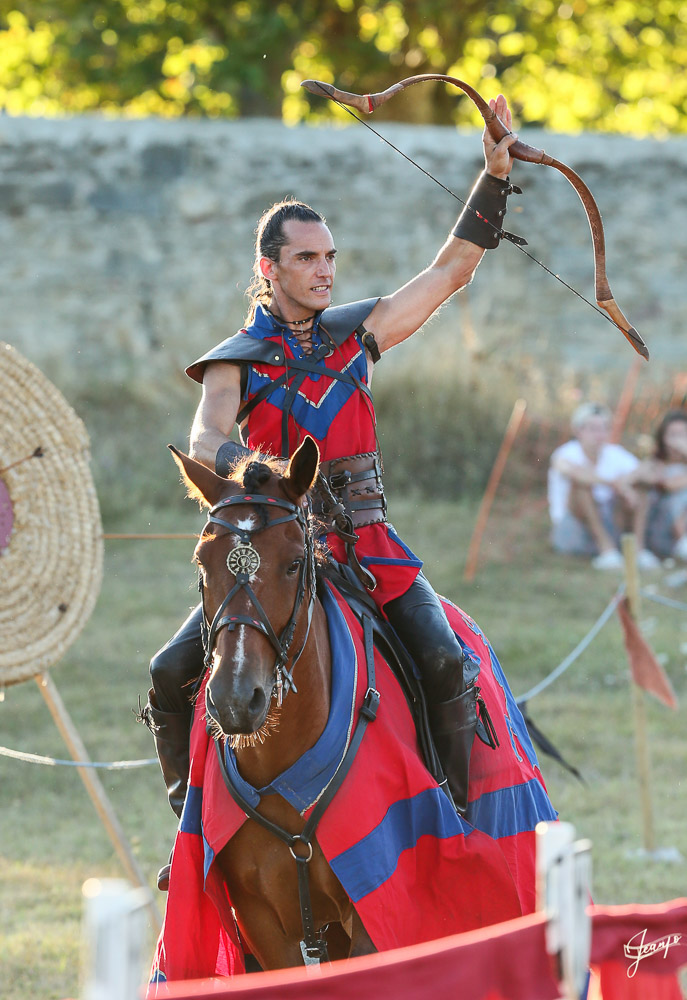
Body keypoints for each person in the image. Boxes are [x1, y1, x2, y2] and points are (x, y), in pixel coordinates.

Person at [143, 95, 522, 877]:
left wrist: (492, 177)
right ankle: (189, 830)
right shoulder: (237, 358)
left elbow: (449, 271)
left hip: (371, 542)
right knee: (168, 671)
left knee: (447, 663)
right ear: (268, 268)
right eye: (305, 259)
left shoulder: (359, 334)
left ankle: (448, 810)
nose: (322, 272)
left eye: (328, 258)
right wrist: (250, 472)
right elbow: (207, 436)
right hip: (277, 544)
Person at [547, 402, 655, 569]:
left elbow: (645, 469)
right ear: (578, 431)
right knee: (581, 487)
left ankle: (638, 551)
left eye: (604, 428)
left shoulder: (614, 453)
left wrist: (626, 483)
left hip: (608, 522)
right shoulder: (565, 453)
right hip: (572, 528)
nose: (600, 434)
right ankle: (607, 550)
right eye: (593, 428)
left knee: (640, 488)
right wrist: (616, 484)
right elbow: (575, 473)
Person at [628, 409, 687, 561]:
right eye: (673, 435)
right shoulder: (654, 464)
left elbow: (673, 484)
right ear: (663, 438)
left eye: (682, 435)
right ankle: (638, 552)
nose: (677, 441)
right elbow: (633, 479)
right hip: (659, 530)